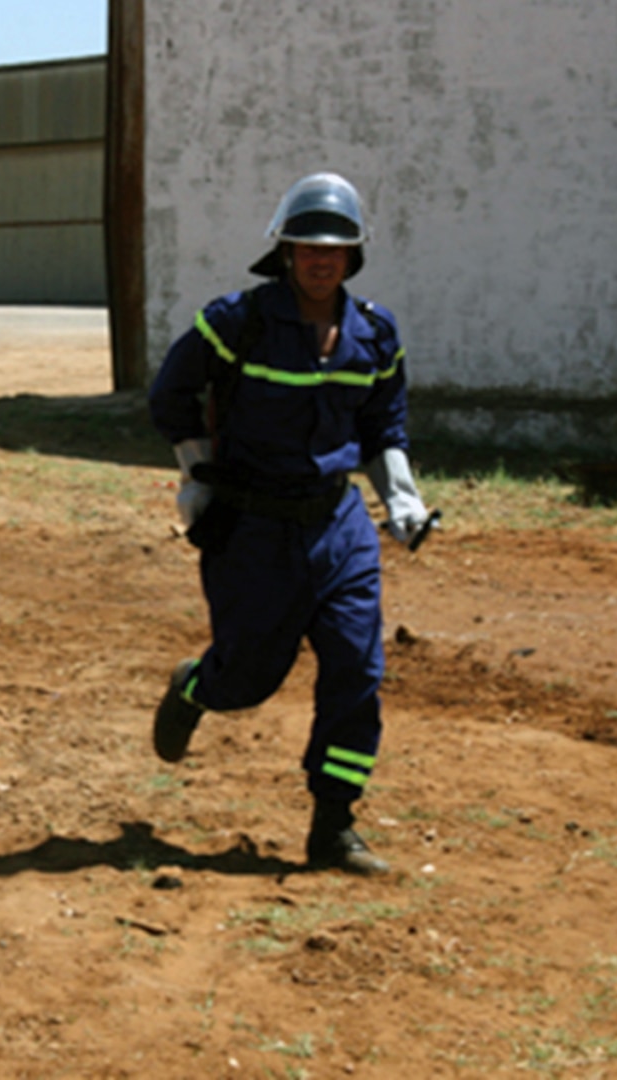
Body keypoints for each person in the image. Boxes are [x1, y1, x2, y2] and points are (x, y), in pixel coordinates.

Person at [146, 171, 433, 876]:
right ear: (284, 251)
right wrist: (197, 470)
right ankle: (196, 687)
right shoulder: (236, 321)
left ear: (354, 255)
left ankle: (333, 826)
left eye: (335, 248)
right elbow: (171, 393)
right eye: (307, 246)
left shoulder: (376, 333)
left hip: (339, 527)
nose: (320, 259)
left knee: (356, 672)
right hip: (253, 531)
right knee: (247, 679)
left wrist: (400, 498)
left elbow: (382, 424)